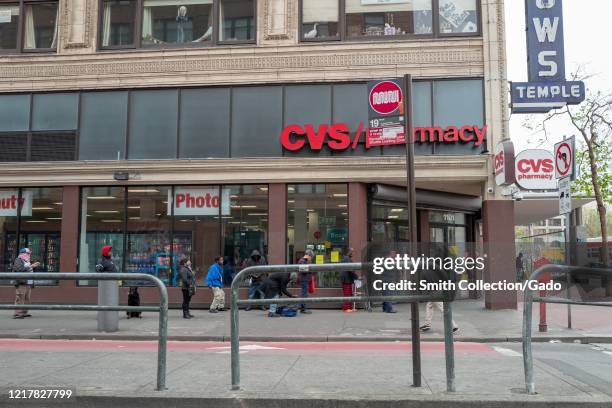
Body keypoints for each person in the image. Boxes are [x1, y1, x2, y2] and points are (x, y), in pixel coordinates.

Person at [12, 248, 39, 319]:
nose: (29, 255)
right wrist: (31, 266)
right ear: (23, 253)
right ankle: (18, 314)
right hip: (21, 282)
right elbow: (18, 269)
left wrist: (34, 266)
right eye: (27, 253)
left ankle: (24, 312)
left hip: (28, 282)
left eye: (29, 253)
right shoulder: (18, 260)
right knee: (20, 298)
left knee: (27, 298)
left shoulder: (27, 261)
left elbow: (29, 270)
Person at [340, 247, 358, 312]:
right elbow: (350, 270)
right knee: (347, 293)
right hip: (346, 279)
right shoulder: (347, 259)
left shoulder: (345, 258)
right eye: (351, 251)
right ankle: (347, 308)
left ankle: (349, 307)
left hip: (346, 278)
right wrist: (356, 277)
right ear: (348, 252)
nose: (352, 253)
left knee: (349, 293)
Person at [297, 249, 314, 314]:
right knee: (304, 294)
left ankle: (303, 308)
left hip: (305, 280)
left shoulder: (304, 260)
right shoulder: (302, 261)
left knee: (304, 294)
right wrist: (310, 269)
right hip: (304, 280)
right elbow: (303, 270)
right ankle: (303, 309)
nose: (311, 258)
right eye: (311, 257)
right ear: (308, 255)